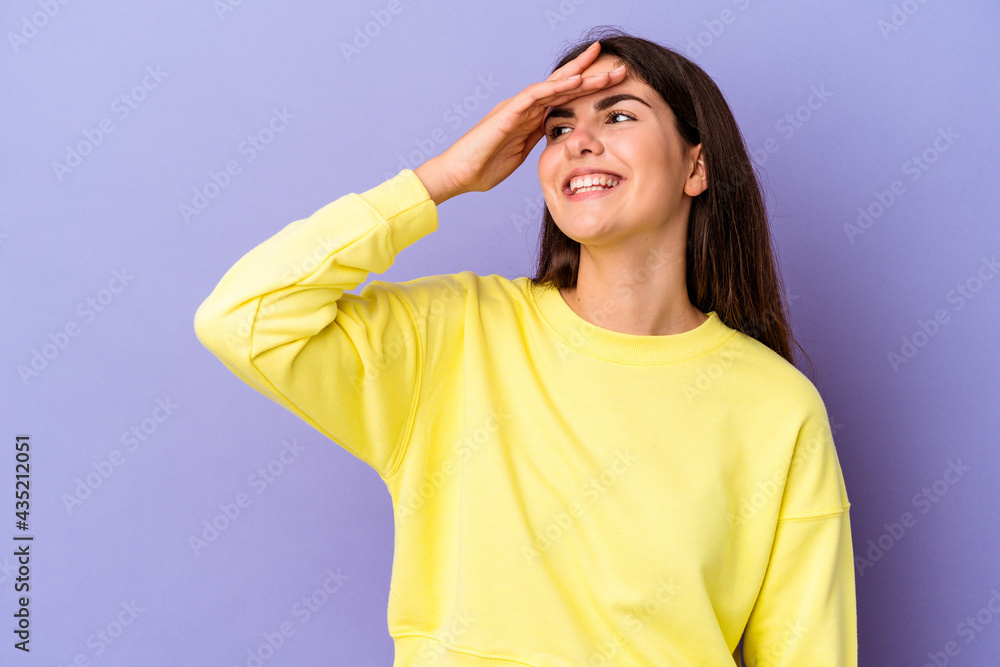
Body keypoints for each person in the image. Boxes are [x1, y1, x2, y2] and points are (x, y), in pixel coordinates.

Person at [195, 27, 857, 666]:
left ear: (696, 165)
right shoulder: (454, 336)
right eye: (558, 128)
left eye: (619, 116)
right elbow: (242, 316)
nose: (580, 142)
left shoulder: (777, 406)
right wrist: (440, 178)